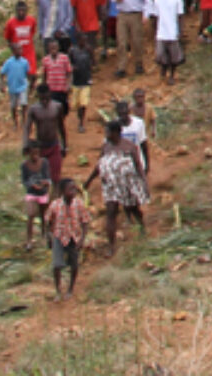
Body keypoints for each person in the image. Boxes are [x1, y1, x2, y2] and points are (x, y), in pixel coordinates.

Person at [85, 118, 148, 256]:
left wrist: (144, 183)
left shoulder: (129, 147)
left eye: (107, 131)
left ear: (115, 132)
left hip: (127, 183)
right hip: (110, 186)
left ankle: (142, 227)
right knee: (111, 212)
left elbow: (138, 166)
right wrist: (89, 180)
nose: (105, 133)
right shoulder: (106, 147)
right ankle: (111, 245)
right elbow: (99, 165)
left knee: (132, 208)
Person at [45, 177, 90, 300]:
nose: (73, 191)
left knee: (74, 265)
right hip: (59, 237)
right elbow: (48, 220)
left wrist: (82, 240)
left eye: (74, 189)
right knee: (57, 265)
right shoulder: (55, 205)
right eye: (70, 189)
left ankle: (70, 289)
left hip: (73, 238)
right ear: (62, 191)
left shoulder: (78, 204)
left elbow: (85, 221)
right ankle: (58, 290)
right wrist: (49, 236)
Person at [109, 0, 153, 79]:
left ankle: (138, 63)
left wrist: (146, 15)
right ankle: (121, 67)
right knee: (122, 42)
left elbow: (147, 0)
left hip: (135, 14)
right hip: (122, 14)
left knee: (137, 40)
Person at [25, 92, 68, 184]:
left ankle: (54, 196)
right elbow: (27, 128)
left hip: (54, 146)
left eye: (46, 99)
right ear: (39, 98)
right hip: (40, 148)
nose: (44, 102)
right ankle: (44, 196)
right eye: (42, 100)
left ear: (50, 97)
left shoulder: (57, 107)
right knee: (41, 178)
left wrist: (65, 145)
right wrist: (25, 144)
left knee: (56, 177)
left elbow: (61, 127)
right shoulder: (34, 109)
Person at [153, 0, 186, 83]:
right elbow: (155, 16)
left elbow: (180, 16)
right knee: (160, 55)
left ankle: (172, 74)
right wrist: (155, 30)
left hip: (172, 31)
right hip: (161, 32)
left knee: (173, 56)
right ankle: (164, 67)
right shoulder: (157, 0)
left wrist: (180, 31)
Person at [20, 142, 51, 249]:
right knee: (31, 214)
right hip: (32, 193)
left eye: (37, 153)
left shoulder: (44, 163)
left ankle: (45, 234)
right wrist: (33, 185)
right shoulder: (24, 166)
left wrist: (45, 183)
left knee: (44, 215)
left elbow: (48, 178)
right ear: (28, 153)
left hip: (43, 193)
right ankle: (29, 240)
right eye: (33, 154)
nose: (35, 156)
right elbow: (24, 181)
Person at [0, 47, 31, 133]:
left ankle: (24, 121)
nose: (20, 51)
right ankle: (15, 123)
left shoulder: (24, 62)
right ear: (13, 51)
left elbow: (27, 73)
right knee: (13, 106)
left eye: (21, 49)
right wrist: (2, 84)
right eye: (18, 49)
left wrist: (30, 84)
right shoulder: (9, 62)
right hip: (12, 87)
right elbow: (2, 73)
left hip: (23, 86)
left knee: (24, 104)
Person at [67, 35, 95, 133]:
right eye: (82, 41)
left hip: (86, 80)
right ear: (78, 41)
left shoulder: (89, 50)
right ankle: (80, 116)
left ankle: (81, 123)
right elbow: (68, 64)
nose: (84, 43)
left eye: (85, 41)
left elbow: (93, 62)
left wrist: (89, 69)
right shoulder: (72, 51)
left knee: (84, 103)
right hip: (76, 81)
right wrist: (73, 68)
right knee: (76, 104)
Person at [3, 0, 38, 76]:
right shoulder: (10, 23)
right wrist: (13, 49)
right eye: (19, 10)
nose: (21, 12)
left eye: (23, 10)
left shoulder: (31, 20)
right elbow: (8, 38)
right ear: (16, 11)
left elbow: (32, 32)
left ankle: (30, 87)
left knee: (31, 73)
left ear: (26, 10)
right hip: (17, 54)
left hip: (29, 52)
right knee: (19, 74)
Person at [116, 98, 149, 176]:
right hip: (121, 166)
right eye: (120, 113)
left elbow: (143, 144)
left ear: (129, 111)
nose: (123, 115)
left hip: (137, 164)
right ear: (117, 113)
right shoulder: (114, 126)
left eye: (124, 112)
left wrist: (147, 164)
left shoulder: (138, 123)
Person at [40, 36, 72, 107]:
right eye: (51, 48)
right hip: (51, 89)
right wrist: (44, 88)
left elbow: (69, 72)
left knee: (64, 107)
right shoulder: (45, 60)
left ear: (58, 48)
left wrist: (68, 85)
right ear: (48, 49)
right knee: (53, 108)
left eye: (55, 47)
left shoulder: (64, 58)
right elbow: (44, 74)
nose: (53, 49)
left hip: (62, 89)